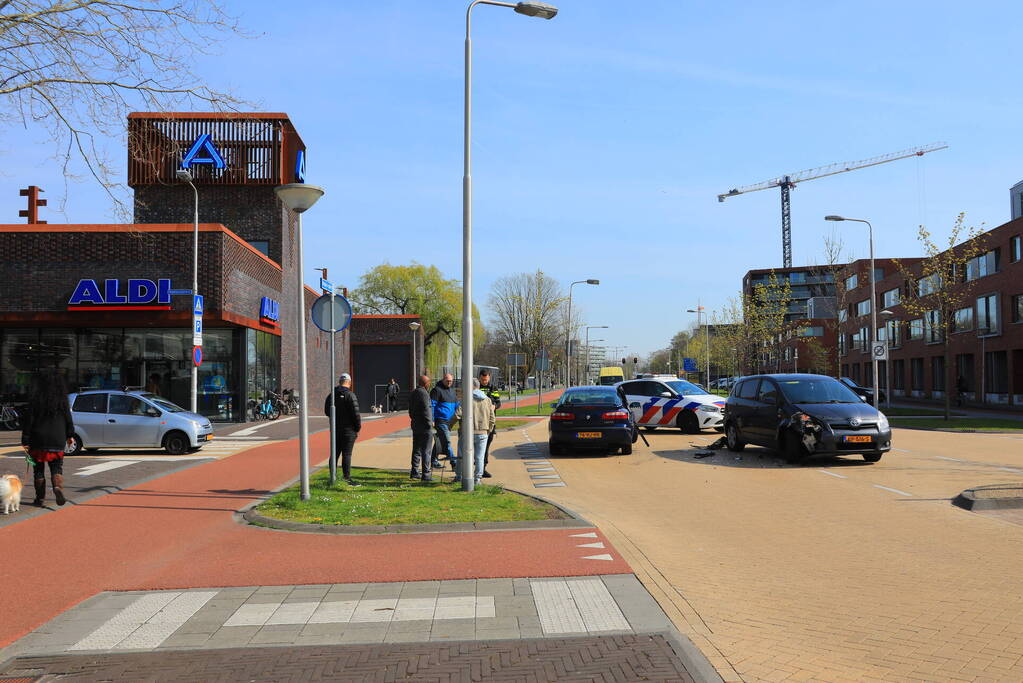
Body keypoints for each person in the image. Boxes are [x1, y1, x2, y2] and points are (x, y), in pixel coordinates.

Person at [20, 370, 75, 507]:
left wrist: (25, 439)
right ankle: (57, 487)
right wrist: (70, 435)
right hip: (57, 438)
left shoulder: (35, 400)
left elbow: (29, 421)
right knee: (57, 467)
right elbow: (68, 419)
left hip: (37, 439)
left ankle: (40, 499)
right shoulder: (62, 401)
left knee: (38, 470)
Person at [451, 378, 496, 485]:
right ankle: (477, 479)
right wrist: (488, 430)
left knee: (462, 455)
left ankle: (459, 476)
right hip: (483, 432)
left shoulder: (466, 399)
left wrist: (449, 425)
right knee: (480, 457)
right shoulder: (487, 400)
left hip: (467, 432)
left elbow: (457, 414)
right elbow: (492, 418)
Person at [323, 373, 362, 486]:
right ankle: (347, 478)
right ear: (349, 382)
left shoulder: (331, 395)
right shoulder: (350, 395)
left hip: (335, 429)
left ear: (339, 382)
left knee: (334, 454)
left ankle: (332, 477)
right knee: (347, 454)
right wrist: (357, 427)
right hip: (349, 430)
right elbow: (356, 414)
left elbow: (327, 411)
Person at [408, 374, 434, 481]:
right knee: (426, 450)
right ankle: (426, 474)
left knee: (416, 450)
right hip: (425, 426)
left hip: (416, 425)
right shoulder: (424, 394)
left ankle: (414, 472)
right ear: (426, 383)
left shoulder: (413, 393)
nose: (429, 385)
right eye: (429, 383)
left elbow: (410, 410)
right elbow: (426, 410)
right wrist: (430, 423)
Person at [430, 373, 458, 472]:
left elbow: (456, 405)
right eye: (447, 381)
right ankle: (454, 463)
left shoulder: (452, 391)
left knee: (440, 441)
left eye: (451, 381)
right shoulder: (436, 390)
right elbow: (432, 406)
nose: (449, 382)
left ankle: (433, 461)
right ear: (443, 380)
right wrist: (432, 419)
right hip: (440, 420)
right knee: (447, 442)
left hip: (450, 422)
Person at [478, 369, 502, 478]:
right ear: (479, 378)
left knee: (486, 446)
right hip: (479, 421)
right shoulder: (476, 387)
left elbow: (498, 402)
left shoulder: (493, 388)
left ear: (489, 378)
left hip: (490, 422)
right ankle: (477, 467)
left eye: (486, 380)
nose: (485, 382)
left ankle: (483, 467)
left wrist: (494, 406)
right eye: (483, 380)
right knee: (478, 446)